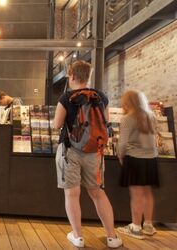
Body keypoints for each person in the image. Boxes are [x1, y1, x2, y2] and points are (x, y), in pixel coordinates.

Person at [53, 60, 123, 248]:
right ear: (88, 76)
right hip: (94, 151)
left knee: (72, 194)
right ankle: (112, 237)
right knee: (98, 193)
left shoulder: (66, 98)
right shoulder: (101, 97)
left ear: (72, 76)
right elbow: (105, 122)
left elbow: (57, 124)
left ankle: (78, 236)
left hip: (69, 150)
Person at [116, 90, 159, 239]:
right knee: (148, 193)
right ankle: (148, 225)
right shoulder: (151, 117)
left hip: (134, 158)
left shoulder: (128, 118)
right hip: (151, 159)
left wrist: (120, 157)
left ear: (128, 102)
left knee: (136, 195)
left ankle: (135, 227)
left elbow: (122, 144)